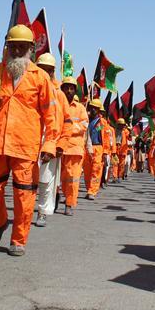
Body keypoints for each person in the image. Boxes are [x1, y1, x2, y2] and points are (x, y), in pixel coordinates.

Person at [0, 25, 59, 256]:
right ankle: (0, 222)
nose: (18, 51)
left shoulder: (40, 77)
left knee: (24, 195)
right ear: (7, 47)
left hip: (25, 145)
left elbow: (51, 114)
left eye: (22, 47)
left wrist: (50, 143)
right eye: (13, 46)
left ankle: (18, 240)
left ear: (31, 49)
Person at [34, 52, 66, 227]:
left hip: (50, 143)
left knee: (45, 180)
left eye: (48, 70)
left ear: (53, 72)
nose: (45, 73)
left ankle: (42, 212)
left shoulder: (59, 94)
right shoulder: (29, 88)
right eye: (41, 69)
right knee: (27, 180)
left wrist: (59, 145)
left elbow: (67, 122)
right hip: (30, 140)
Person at [57, 77, 89, 215]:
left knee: (72, 179)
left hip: (74, 149)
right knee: (57, 178)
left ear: (75, 91)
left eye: (71, 88)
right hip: (57, 147)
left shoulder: (80, 108)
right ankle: (55, 198)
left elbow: (84, 125)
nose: (69, 91)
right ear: (62, 89)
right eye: (66, 88)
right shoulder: (56, 104)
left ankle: (69, 203)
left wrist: (67, 128)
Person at [83, 98, 105, 200]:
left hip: (97, 148)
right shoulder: (86, 120)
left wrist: (106, 152)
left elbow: (104, 137)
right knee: (87, 171)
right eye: (91, 107)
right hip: (86, 148)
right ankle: (88, 189)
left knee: (96, 170)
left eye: (95, 108)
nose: (93, 110)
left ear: (99, 110)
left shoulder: (101, 122)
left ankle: (92, 191)